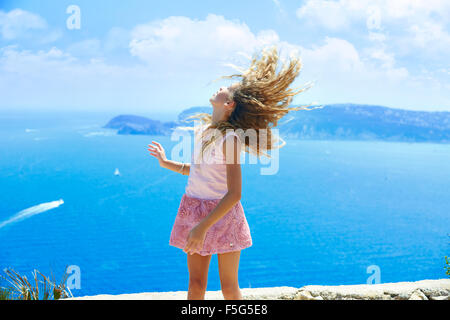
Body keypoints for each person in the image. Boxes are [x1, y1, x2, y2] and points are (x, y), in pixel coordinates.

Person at [148, 45, 320, 300]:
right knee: (196, 285)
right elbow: (196, 172)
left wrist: (202, 227)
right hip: (193, 209)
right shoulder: (204, 131)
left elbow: (235, 194)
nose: (219, 88)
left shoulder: (230, 139)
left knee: (229, 286)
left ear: (229, 104)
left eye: (224, 90)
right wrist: (166, 163)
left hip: (222, 215)